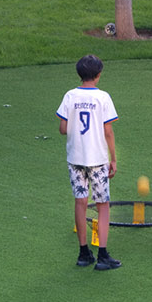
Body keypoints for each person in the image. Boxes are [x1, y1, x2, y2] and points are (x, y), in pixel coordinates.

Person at [56, 54, 121, 270]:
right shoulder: (103, 98)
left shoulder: (69, 96)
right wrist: (113, 158)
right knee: (102, 205)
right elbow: (108, 131)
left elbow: (63, 129)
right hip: (97, 159)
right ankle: (102, 254)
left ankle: (83, 253)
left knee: (80, 202)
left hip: (76, 157)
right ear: (98, 75)